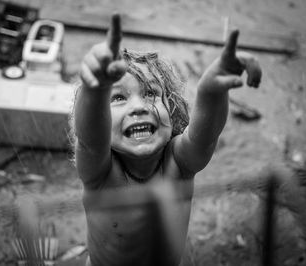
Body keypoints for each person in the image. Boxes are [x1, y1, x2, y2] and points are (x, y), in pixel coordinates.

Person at [74, 13, 261, 266]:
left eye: (151, 93)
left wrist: (211, 90)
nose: (139, 107)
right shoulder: (101, 173)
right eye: (118, 98)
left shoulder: (178, 163)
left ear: (171, 108)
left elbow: (204, 136)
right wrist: (94, 89)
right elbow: (89, 139)